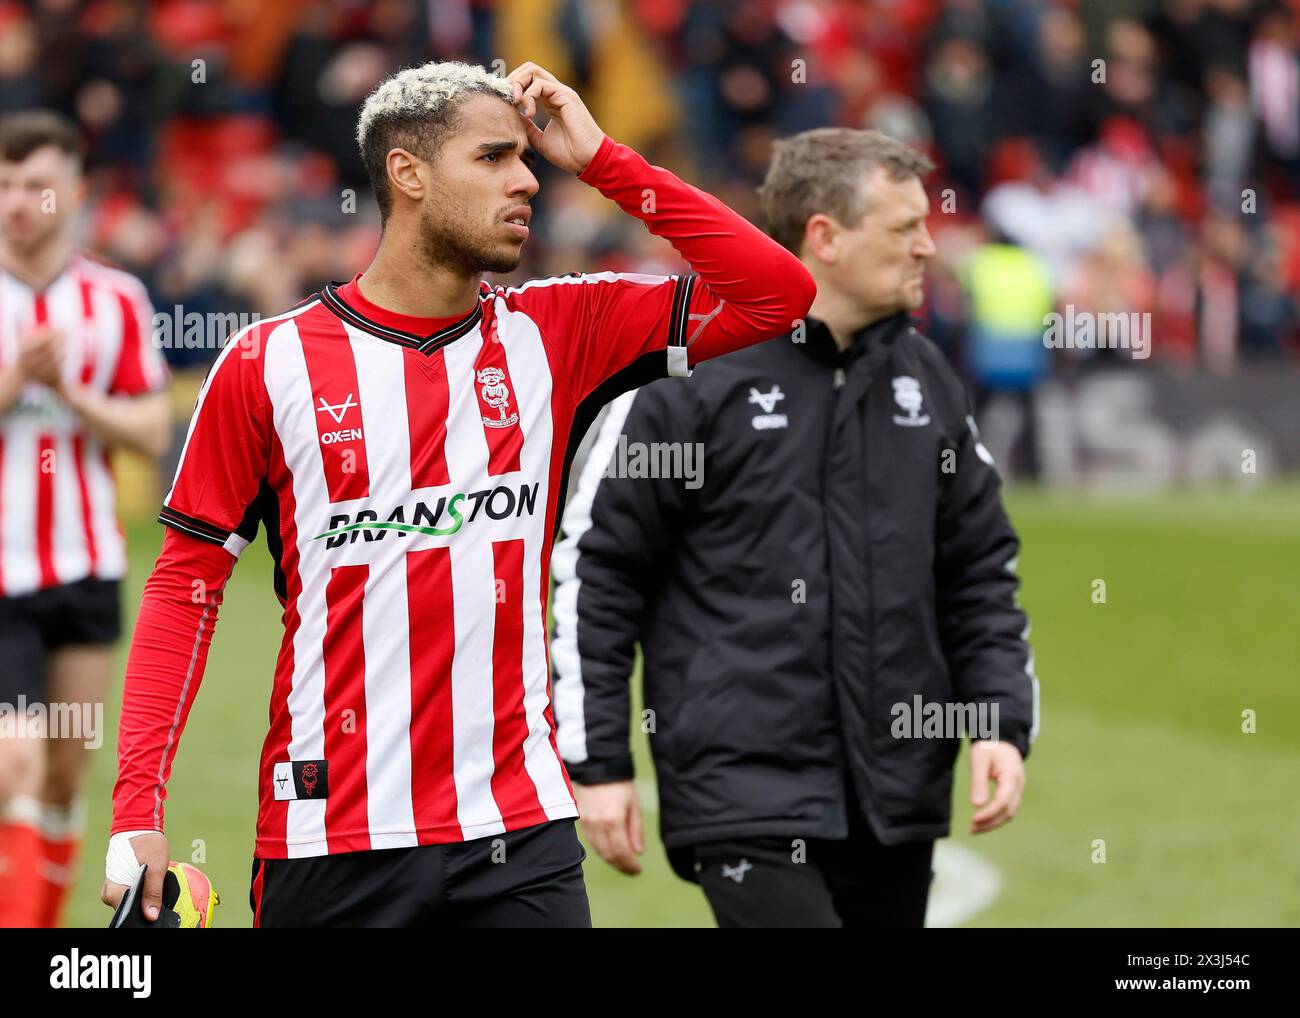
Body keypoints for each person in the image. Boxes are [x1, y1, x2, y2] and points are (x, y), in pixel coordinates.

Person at [100, 61, 815, 928]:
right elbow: (185, 585)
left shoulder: (561, 331)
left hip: (519, 836)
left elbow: (780, 294)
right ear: (407, 174)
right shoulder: (265, 364)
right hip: (331, 837)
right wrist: (138, 809)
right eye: (493, 158)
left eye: (529, 159)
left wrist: (604, 162)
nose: (527, 179)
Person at [551, 128, 1038, 928]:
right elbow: (598, 575)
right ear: (826, 236)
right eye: (904, 227)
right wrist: (598, 760)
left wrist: (996, 721)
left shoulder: (928, 380)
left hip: (899, 793)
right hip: (745, 793)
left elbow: (980, 570)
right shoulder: (688, 375)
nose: (929, 247)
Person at [0, 111, 170, 927]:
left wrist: (70, 393)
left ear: (74, 191)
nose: (18, 202)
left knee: (65, 776)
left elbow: (149, 431)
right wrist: (13, 383)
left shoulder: (116, 298)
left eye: (35, 184)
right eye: (2, 185)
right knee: (15, 766)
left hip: (85, 566)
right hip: (0, 574)